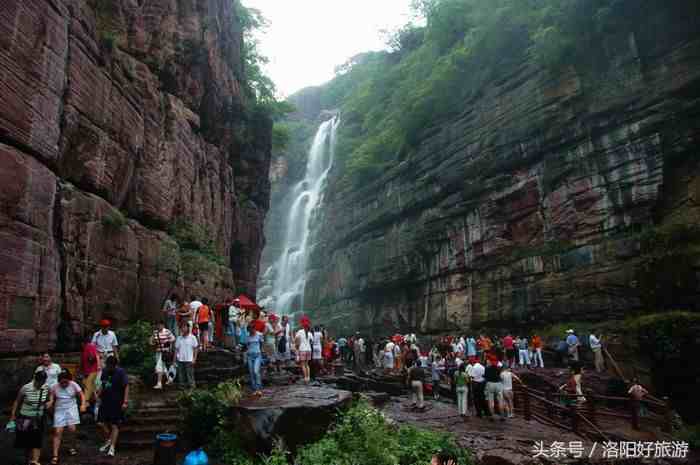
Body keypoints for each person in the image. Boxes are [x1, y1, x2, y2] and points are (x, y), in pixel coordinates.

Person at [9, 371, 49, 465]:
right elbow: (17, 401)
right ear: (35, 378)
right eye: (39, 381)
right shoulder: (26, 388)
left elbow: (50, 396)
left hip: (39, 418)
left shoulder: (46, 387)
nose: (41, 383)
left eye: (43, 381)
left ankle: (35, 461)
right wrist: (13, 415)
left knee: (37, 440)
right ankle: (26, 459)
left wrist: (50, 402)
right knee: (25, 441)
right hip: (25, 417)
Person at [47, 371, 87, 463]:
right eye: (62, 382)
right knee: (57, 431)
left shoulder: (73, 385)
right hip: (60, 409)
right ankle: (55, 455)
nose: (64, 384)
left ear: (69, 380)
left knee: (72, 429)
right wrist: (50, 402)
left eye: (66, 382)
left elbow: (81, 395)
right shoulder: (55, 387)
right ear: (59, 381)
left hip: (71, 408)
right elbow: (52, 397)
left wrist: (83, 404)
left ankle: (72, 446)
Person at [96, 356, 129, 457]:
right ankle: (109, 440)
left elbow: (126, 386)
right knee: (100, 422)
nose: (108, 367)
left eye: (110, 366)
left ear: (114, 365)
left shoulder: (121, 372)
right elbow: (103, 384)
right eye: (107, 365)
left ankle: (112, 447)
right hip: (105, 400)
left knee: (115, 425)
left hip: (117, 401)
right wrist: (98, 395)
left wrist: (125, 401)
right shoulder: (105, 371)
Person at [150, 320, 176, 389]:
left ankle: (159, 383)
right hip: (158, 352)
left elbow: (173, 338)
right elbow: (151, 340)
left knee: (159, 366)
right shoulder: (155, 332)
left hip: (165, 352)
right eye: (157, 325)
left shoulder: (167, 331)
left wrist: (167, 342)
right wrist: (153, 343)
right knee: (163, 367)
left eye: (160, 325)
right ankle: (170, 379)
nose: (159, 326)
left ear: (163, 325)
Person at [175, 323, 199, 389]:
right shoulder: (179, 338)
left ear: (188, 328)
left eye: (184, 327)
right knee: (181, 374)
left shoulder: (192, 337)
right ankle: (182, 386)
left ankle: (192, 387)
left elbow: (196, 349)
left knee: (190, 375)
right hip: (180, 359)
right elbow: (176, 349)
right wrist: (174, 360)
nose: (183, 329)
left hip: (189, 359)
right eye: (182, 327)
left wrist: (194, 358)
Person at [80, 334, 101, 406]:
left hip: (92, 371)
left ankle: (86, 401)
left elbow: (93, 357)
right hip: (86, 372)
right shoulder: (85, 349)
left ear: (82, 343)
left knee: (88, 386)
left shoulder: (89, 346)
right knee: (89, 387)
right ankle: (93, 400)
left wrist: (91, 359)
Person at [247, 321, 264, 395]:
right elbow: (247, 346)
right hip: (250, 356)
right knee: (251, 373)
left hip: (257, 355)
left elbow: (261, 343)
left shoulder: (259, 335)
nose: (251, 331)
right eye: (249, 330)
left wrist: (260, 351)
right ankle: (254, 389)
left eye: (252, 330)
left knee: (256, 371)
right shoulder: (247, 336)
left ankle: (259, 389)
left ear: (254, 328)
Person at [295, 316, 313, 383]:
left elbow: (296, 340)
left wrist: (296, 347)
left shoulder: (299, 331)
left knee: (303, 364)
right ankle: (308, 378)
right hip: (309, 350)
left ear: (302, 324)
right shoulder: (310, 333)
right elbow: (311, 341)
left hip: (302, 349)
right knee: (307, 364)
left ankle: (305, 378)